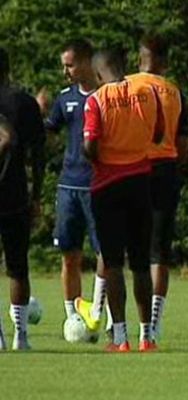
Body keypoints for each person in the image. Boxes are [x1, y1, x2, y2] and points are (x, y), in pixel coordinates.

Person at [83, 47, 163, 352]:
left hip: (107, 186)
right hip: (141, 182)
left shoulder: (96, 100)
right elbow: (159, 134)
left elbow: (90, 143)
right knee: (141, 264)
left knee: (113, 264)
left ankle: (120, 338)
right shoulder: (148, 92)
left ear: (97, 73)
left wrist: (96, 155)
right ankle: (147, 336)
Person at [36, 39, 108, 329]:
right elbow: (49, 136)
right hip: (68, 186)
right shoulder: (65, 98)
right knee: (69, 254)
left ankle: (103, 312)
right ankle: (73, 319)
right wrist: (38, 114)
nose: (65, 71)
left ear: (87, 61)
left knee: (106, 252)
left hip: (99, 185)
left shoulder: (106, 96)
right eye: (64, 65)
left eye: (70, 64)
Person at [127, 33, 188, 341]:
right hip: (164, 170)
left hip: (129, 169)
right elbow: (183, 143)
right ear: (164, 61)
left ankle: (115, 322)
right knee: (158, 252)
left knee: (118, 245)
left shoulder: (124, 87)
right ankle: (152, 326)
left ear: (139, 58)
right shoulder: (174, 92)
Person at [0, 47, 45, 350]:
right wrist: (37, 194)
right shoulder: (25, 103)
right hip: (16, 194)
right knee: (18, 267)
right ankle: (22, 336)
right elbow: (38, 155)